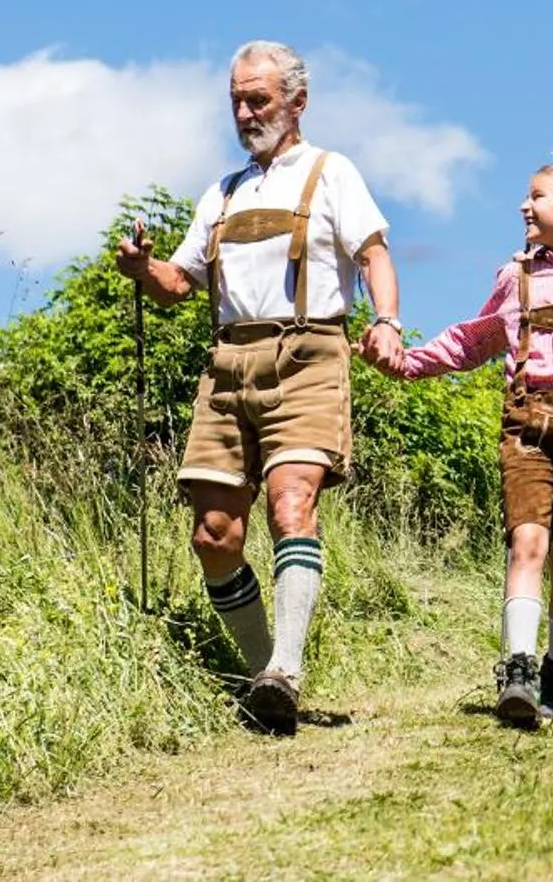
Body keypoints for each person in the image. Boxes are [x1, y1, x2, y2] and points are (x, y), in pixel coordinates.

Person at [116, 40, 400, 736]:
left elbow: (373, 252)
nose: (245, 112)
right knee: (214, 535)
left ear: (297, 101)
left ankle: (287, 670)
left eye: (259, 99)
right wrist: (142, 268)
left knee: (291, 501)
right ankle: (262, 680)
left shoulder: (332, 173)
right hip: (228, 362)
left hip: (308, 352)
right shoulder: (223, 191)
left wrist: (388, 319)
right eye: (237, 100)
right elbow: (178, 286)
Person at [361, 164, 553, 728]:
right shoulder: (515, 278)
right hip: (526, 427)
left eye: (536, 196)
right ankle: (517, 670)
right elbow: (471, 342)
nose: (524, 206)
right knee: (528, 545)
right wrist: (406, 363)